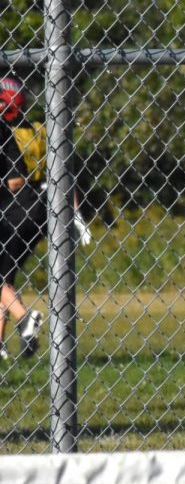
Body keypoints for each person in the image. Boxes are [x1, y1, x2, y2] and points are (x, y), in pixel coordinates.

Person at [0, 77, 91, 360]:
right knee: (5, 278)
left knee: (1, 278)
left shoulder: (8, 132)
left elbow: (14, 181)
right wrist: (75, 211)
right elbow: (64, 170)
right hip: (45, 208)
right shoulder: (40, 129)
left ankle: (26, 320)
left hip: (17, 209)